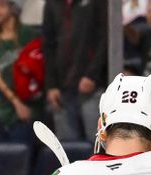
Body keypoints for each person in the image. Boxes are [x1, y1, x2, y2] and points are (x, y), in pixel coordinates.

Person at [42, 0, 107, 141]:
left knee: (97, 146)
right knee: (66, 151)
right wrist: (51, 85)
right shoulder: (52, 4)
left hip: (92, 88)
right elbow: (48, 45)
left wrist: (92, 75)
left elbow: (106, 38)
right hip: (62, 90)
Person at [0, 0, 41, 142]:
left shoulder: (28, 34)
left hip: (31, 104)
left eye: (2, 5)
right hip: (6, 107)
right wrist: (16, 102)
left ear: (13, 8)